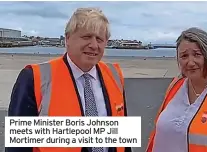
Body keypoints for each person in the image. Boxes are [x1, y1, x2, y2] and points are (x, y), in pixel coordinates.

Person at [6, 7, 132, 152]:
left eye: (99, 39)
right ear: (67, 39)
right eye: (86, 37)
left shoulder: (114, 74)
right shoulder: (34, 77)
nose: (93, 45)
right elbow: (18, 146)